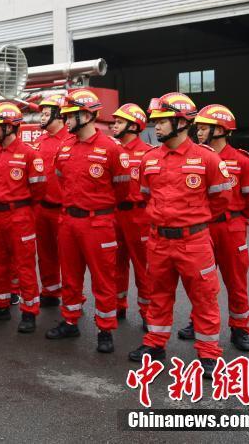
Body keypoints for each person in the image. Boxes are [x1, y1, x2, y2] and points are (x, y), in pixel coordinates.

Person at [128, 93, 233, 375]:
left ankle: (208, 353)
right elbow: (145, 195)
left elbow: (222, 199)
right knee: (158, 295)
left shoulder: (207, 159)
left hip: (194, 242)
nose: (157, 126)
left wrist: (192, 222)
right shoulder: (149, 159)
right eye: (156, 121)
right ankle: (155, 344)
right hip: (158, 241)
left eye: (163, 121)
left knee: (204, 297)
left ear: (182, 122)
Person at [46, 89, 130, 354]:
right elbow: (61, 178)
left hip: (98, 224)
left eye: (71, 115)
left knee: (103, 279)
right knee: (70, 276)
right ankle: (70, 320)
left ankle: (105, 329)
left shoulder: (111, 148)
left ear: (87, 115)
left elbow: (122, 187)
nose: (66, 120)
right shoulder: (65, 147)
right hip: (69, 221)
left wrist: (98, 207)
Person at [176, 104, 249, 352]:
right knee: (200, 281)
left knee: (236, 281)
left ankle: (240, 328)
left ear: (222, 130)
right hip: (201, 227)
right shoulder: (195, 158)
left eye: (205, 128)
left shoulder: (243, 162)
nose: (199, 132)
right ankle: (197, 322)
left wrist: (237, 219)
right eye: (199, 128)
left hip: (229, 228)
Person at [0, 102, 46, 333]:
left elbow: (38, 190)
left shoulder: (29, 154)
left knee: (24, 266)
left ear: (9, 127)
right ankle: (0, 305)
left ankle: (29, 312)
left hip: (20, 216)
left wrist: (20, 207)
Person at [110, 103, 153, 330]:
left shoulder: (148, 153)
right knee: (115, 264)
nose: (114, 126)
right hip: (115, 213)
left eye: (119, 122)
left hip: (139, 216)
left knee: (143, 266)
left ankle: (148, 312)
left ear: (134, 126)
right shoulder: (111, 151)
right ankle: (118, 305)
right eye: (114, 122)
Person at [30, 93, 69, 307]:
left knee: (69, 257)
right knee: (45, 253)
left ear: (60, 116)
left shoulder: (71, 140)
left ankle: (73, 298)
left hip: (63, 209)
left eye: (46, 114)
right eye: (42, 114)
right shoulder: (39, 142)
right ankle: (50, 291)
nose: (42, 118)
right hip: (41, 208)